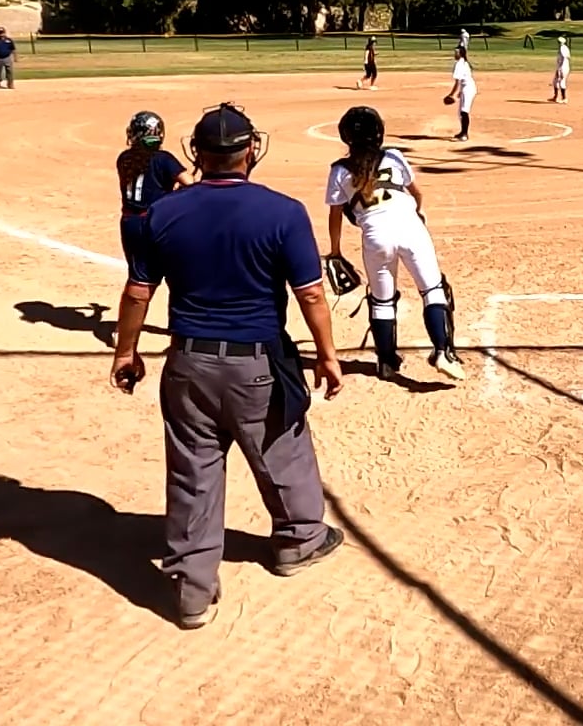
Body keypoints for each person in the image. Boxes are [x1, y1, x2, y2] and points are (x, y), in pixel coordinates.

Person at [111, 104, 347, 631]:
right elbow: (310, 293)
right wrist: (328, 355)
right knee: (281, 445)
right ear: (250, 150)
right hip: (257, 361)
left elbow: (138, 291)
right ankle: (299, 540)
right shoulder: (283, 212)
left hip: (188, 362)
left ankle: (192, 590)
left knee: (193, 468)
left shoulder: (162, 214)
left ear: (196, 153)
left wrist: (126, 352)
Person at [325, 106, 464, 382]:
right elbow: (417, 194)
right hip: (410, 227)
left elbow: (335, 215)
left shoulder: (339, 171)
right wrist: (418, 213)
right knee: (433, 290)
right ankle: (442, 351)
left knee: (382, 300)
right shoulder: (394, 156)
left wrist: (336, 251)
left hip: (375, 237)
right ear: (379, 133)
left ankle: (386, 361)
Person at [117, 111, 191, 267]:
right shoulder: (164, 159)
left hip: (130, 222)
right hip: (156, 222)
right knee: (174, 270)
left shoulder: (123, 158)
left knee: (138, 275)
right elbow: (190, 183)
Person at [444, 46, 476, 141]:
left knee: (464, 111)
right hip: (466, 88)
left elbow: (457, 82)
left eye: (457, 52)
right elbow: (464, 79)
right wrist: (461, 91)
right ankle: (462, 132)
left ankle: (465, 134)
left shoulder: (459, 64)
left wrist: (451, 94)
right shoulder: (463, 62)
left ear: (461, 54)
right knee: (460, 113)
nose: (455, 54)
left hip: (468, 89)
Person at [551, 36, 571, 103]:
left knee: (561, 82)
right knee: (555, 81)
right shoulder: (565, 48)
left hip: (562, 68)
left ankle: (564, 98)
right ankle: (555, 97)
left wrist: (560, 69)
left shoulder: (562, 48)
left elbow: (564, 57)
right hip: (563, 67)